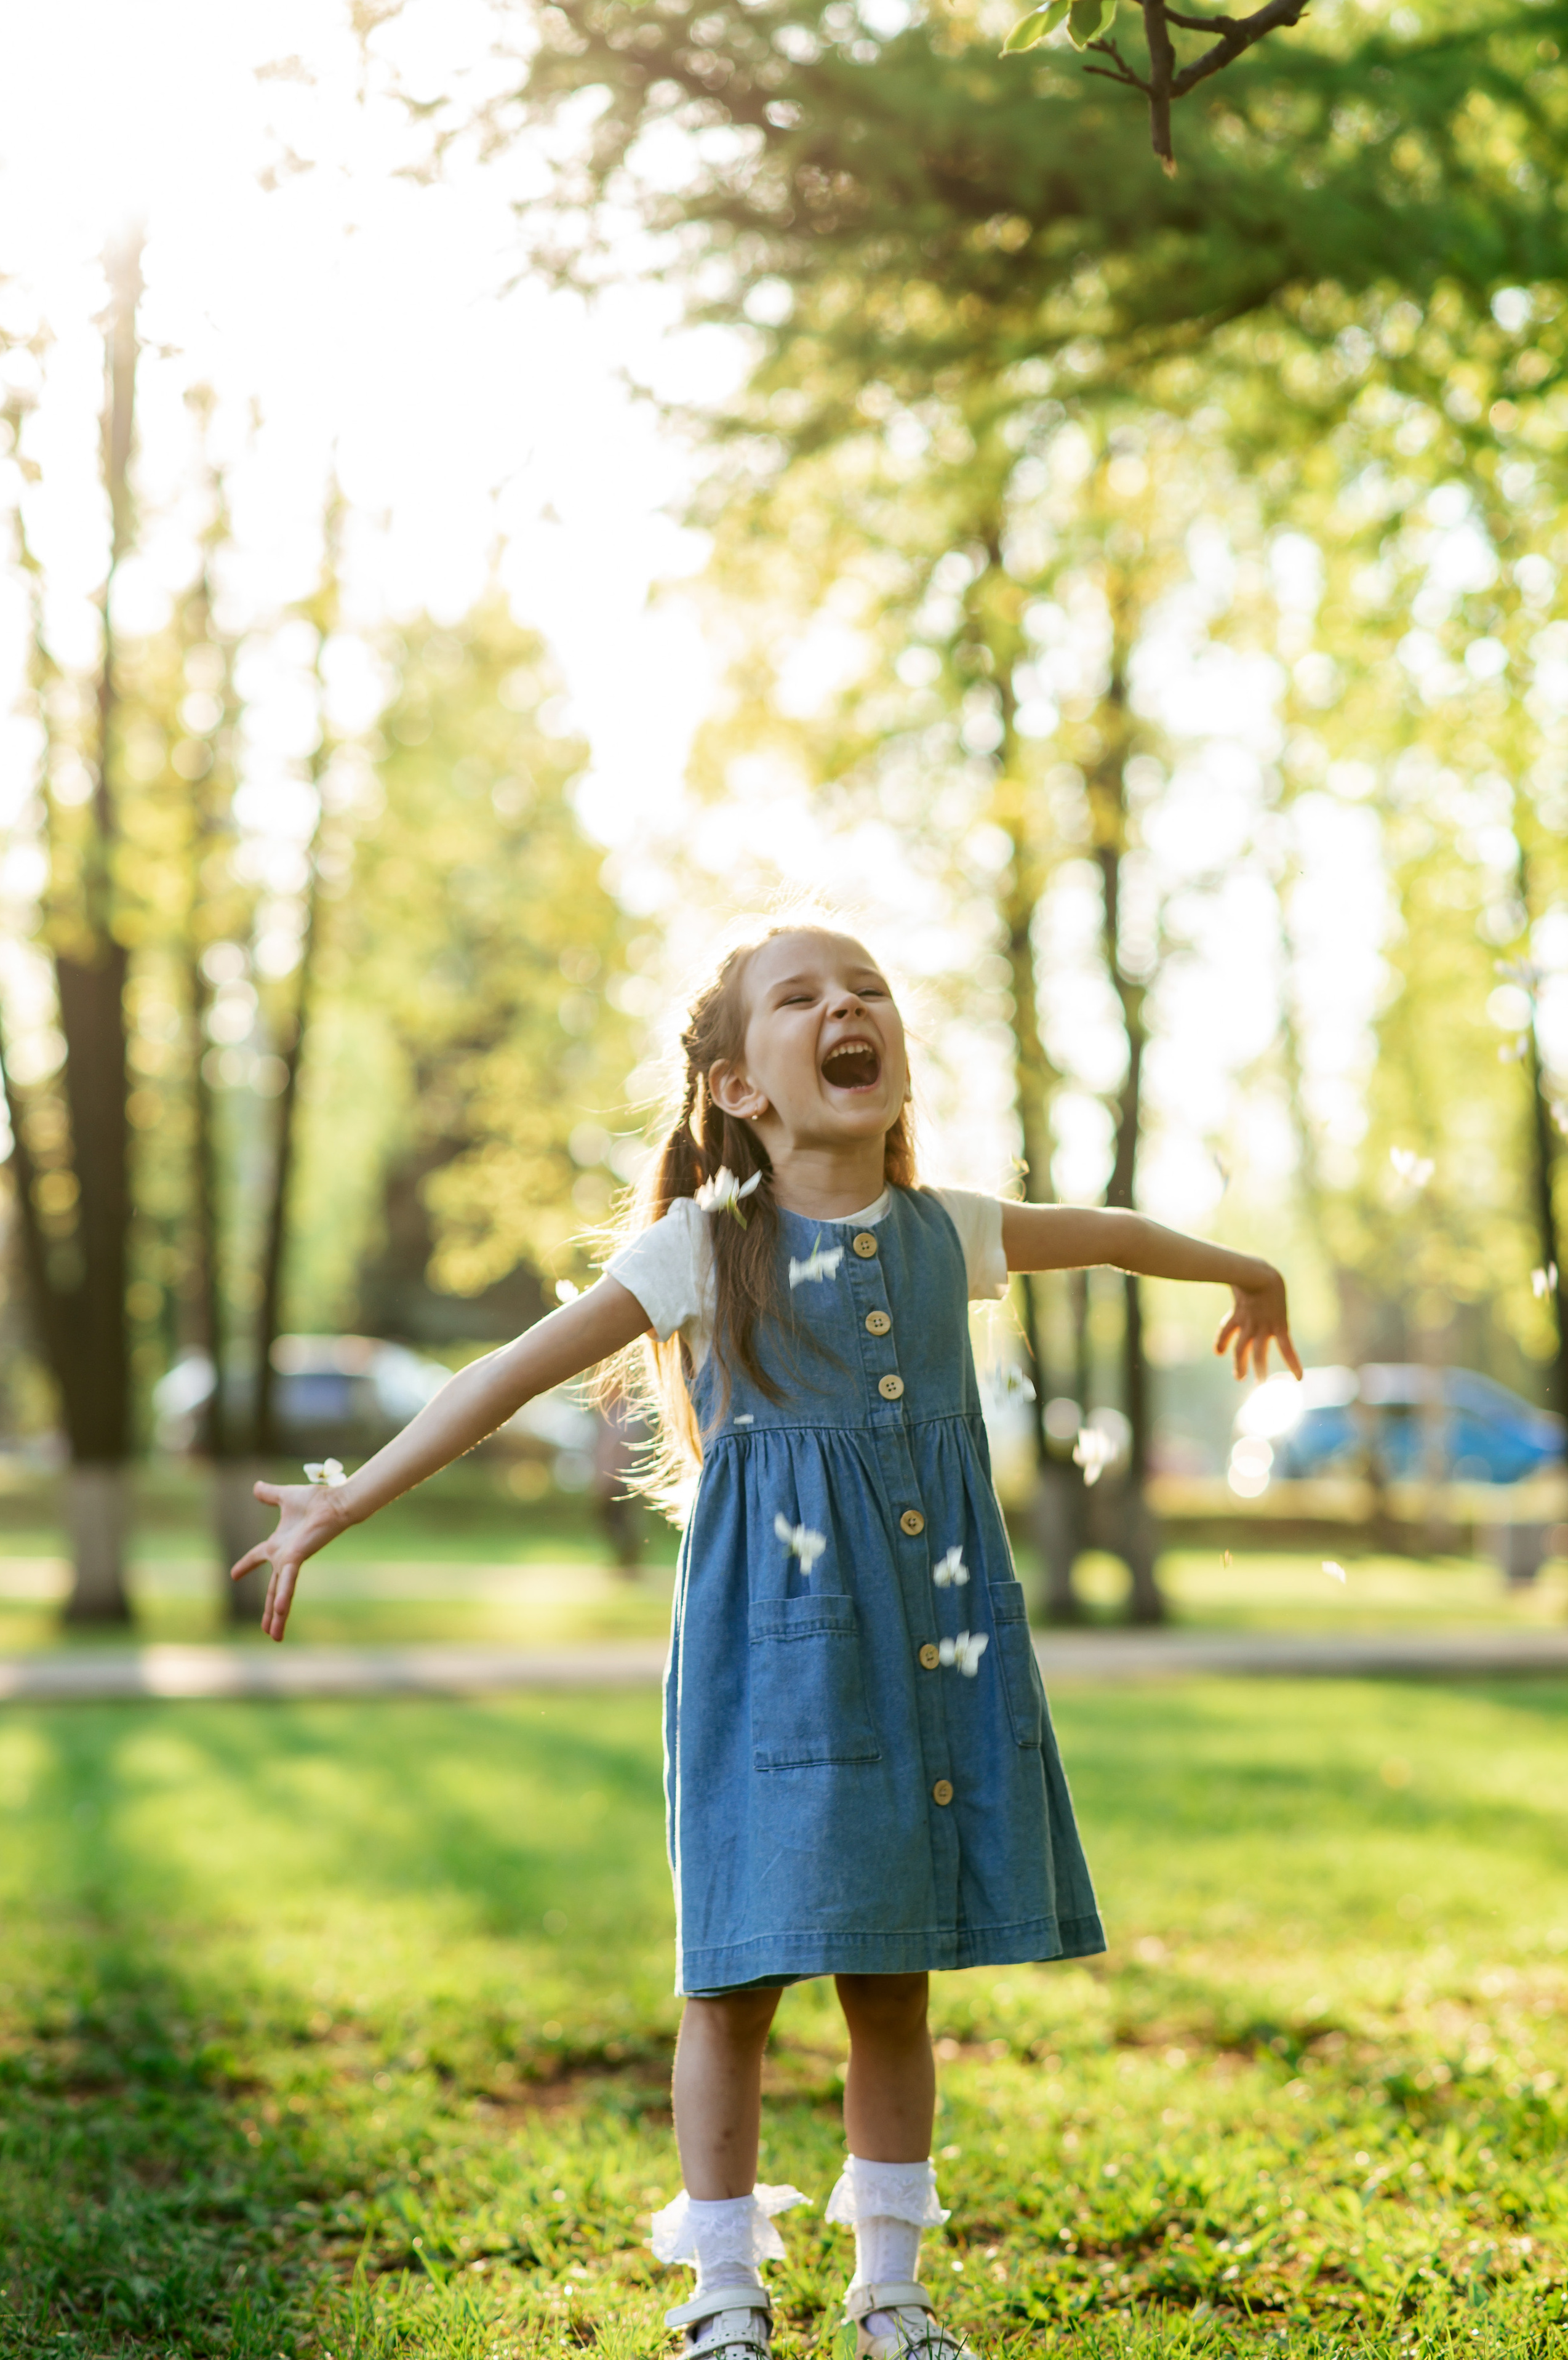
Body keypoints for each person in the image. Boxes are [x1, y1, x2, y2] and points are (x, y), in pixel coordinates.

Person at [233, 921, 1300, 2360]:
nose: (845, 1008)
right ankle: (722, 2295)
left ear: (892, 1060)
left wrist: (1248, 1269)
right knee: (731, 1978)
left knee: (889, 1976)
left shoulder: (948, 1234)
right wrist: (345, 1497)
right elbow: (502, 1373)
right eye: (801, 999)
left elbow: (1108, 1235)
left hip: (921, 1655)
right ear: (740, 1087)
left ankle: (891, 2295)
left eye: (865, 991)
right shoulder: (702, 1250)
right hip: (771, 1659)